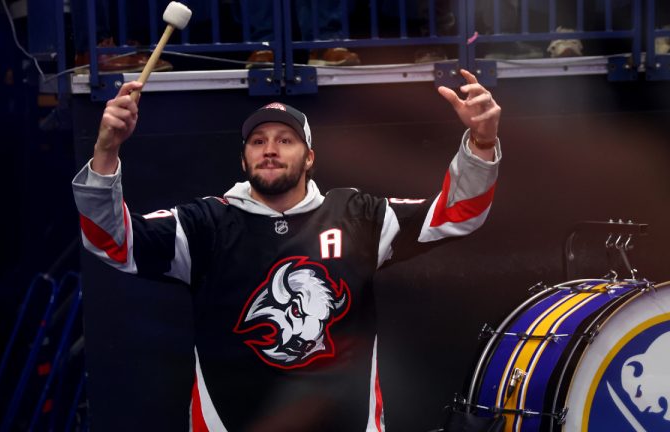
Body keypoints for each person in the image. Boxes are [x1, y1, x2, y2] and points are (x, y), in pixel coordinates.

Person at [71, 69, 501, 431]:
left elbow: (456, 213)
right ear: (243, 160)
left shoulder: (356, 215)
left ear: (309, 157)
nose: (270, 149)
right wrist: (107, 149)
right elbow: (112, 241)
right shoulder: (205, 225)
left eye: (285, 139)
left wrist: (481, 144)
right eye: (258, 141)